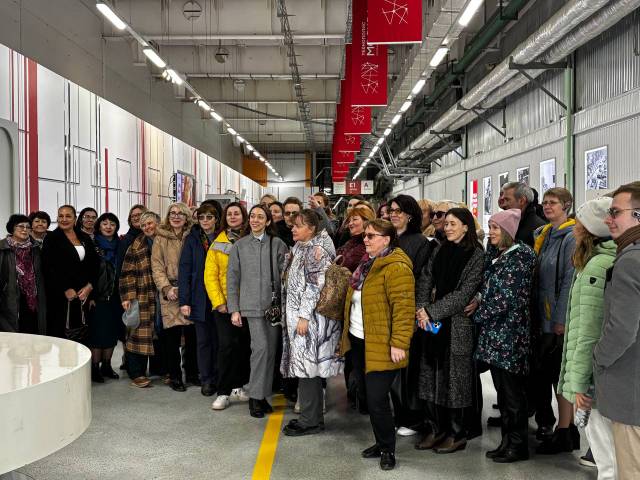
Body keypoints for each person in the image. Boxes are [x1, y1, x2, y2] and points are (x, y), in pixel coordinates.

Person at [341, 219, 415, 470]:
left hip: (382, 343)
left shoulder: (397, 267)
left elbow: (404, 310)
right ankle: (381, 440)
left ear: (387, 239)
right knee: (366, 396)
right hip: (359, 339)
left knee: (376, 399)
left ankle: (387, 450)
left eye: (371, 236)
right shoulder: (367, 263)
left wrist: (399, 343)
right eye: (366, 235)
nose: (366, 239)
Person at [414, 208, 485, 453]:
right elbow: (426, 278)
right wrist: (422, 307)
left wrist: (431, 311)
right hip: (432, 324)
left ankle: (457, 433)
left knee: (455, 381)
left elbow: (464, 295)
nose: (448, 228)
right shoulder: (440, 249)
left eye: (454, 224)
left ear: (466, 226)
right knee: (431, 374)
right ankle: (435, 428)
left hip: (456, 326)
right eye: (446, 224)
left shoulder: (476, 255)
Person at [558, 197, 617, 479]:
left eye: (579, 223)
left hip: (593, 378)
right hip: (598, 374)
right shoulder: (597, 262)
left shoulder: (596, 267)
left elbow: (589, 330)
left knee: (606, 455)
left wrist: (581, 383)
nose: (574, 228)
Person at [474, 209, 537, 463]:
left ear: (508, 231)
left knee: (512, 394)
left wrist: (477, 314)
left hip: (510, 335)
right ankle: (507, 441)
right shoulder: (498, 254)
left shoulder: (521, 256)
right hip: (495, 335)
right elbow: (487, 285)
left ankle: (518, 445)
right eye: (489, 227)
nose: (490, 232)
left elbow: (507, 297)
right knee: (502, 392)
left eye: (495, 228)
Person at [280, 209, 343, 436]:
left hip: (310, 320)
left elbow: (314, 287)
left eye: (299, 225)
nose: (293, 229)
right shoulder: (301, 247)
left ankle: (310, 421)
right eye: (293, 225)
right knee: (307, 370)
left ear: (312, 228)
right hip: (299, 317)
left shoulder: (317, 251)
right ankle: (310, 417)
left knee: (308, 369)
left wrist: (304, 317)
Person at [594, 182, 640, 480]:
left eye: (615, 212)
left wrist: (598, 357)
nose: (608, 219)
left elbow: (622, 329)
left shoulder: (630, 261)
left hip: (631, 392)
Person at [226, 204, 288, 418]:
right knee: (260, 349)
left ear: (268, 221)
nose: (255, 220)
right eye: (252, 216)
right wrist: (234, 309)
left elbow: (285, 276)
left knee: (270, 351)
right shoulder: (240, 246)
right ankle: (254, 396)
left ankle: (262, 396)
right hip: (250, 307)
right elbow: (232, 279)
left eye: (260, 217)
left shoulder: (277, 244)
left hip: (273, 308)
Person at [534, 187, 577, 453]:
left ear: (566, 206)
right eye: (545, 202)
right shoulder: (544, 235)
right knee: (548, 375)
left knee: (559, 377)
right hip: (542, 318)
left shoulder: (571, 237)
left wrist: (561, 320)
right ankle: (560, 428)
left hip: (556, 321)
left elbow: (569, 281)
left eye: (553, 203)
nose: (547, 206)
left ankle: (565, 430)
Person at [388, 194, 433, 436]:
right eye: (391, 210)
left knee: (409, 368)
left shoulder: (419, 242)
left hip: (407, 311)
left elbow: (419, 280)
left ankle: (413, 419)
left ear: (410, 215)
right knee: (394, 369)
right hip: (388, 311)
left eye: (399, 211)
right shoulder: (389, 239)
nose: (393, 214)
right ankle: (400, 414)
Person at [205, 202, 251, 411]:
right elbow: (210, 277)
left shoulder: (251, 239)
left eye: (237, 213)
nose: (233, 217)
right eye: (229, 214)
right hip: (225, 307)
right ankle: (223, 392)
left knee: (243, 347)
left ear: (243, 216)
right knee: (226, 347)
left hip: (248, 305)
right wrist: (219, 302)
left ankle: (238, 386)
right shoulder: (217, 244)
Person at [151, 202, 197, 392]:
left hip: (191, 290)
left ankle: (192, 373)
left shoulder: (193, 235)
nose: (176, 217)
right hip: (170, 291)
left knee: (192, 336)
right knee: (172, 338)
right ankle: (175, 376)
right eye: (172, 213)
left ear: (187, 217)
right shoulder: (160, 237)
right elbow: (156, 266)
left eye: (180, 213)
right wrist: (166, 287)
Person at [179, 203, 219, 396]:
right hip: (199, 298)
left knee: (220, 341)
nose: (205, 221)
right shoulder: (192, 239)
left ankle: (220, 377)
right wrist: (184, 301)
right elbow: (185, 270)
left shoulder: (223, 238)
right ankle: (207, 380)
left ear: (216, 219)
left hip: (220, 298)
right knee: (203, 342)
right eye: (201, 217)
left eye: (209, 217)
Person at [42, 205, 99, 340]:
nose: (64, 219)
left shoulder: (84, 237)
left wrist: (90, 286)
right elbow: (48, 268)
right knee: (61, 337)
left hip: (83, 294)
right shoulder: (51, 238)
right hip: (60, 296)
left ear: (75, 219)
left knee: (82, 336)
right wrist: (65, 288)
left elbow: (95, 264)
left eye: (68, 216)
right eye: (61, 216)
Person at [120, 211, 162, 388]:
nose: (147, 227)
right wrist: (128, 297)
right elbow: (126, 273)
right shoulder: (135, 245)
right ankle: (136, 372)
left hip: (163, 294)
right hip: (142, 294)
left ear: (158, 223)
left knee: (161, 332)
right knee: (138, 333)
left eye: (150, 223)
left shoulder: (166, 241)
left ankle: (160, 370)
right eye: (143, 225)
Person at [87, 212, 123, 383]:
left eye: (112, 224)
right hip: (97, 296)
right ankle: (95, 368)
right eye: (105, 223)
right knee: (97, 334)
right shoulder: (92, 244)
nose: (109, 227)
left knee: (112, 332)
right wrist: (91, 295)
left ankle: (107, 366)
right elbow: (88, 271)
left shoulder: (120, 245)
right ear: (99, 226)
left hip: (116, 296)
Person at [0, 214, 47, 334]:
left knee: (33, 333)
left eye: (28, 227)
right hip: (9, 298)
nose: (25, 229)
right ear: (12, 228)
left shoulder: (36, 248)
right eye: (21, 226)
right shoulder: (2, 248)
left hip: (33, 298)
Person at [501, 182, 546, 247]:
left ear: (522, 201)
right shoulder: (511, 223)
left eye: (507, 200)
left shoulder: (538, 229)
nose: (504, 204)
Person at [336, 206, 376, 273]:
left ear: (366, 221)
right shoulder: (350, 241)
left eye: (354, 219)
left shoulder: (368, 245)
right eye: (349, 221)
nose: (350, 223)